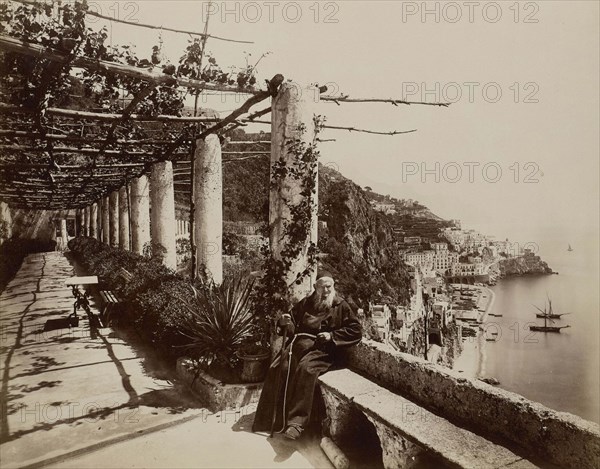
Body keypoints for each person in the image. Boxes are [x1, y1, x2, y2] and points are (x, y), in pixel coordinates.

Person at [252, 270, 362, 439]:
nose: (326, 291)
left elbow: (355, 331)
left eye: (329, 287)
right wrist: (284, 322)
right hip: (298, 347)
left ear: (333, 287)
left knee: (306, 369)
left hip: (323, 350)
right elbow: (292, 326)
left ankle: (296, 423)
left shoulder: (341, 306)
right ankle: (270, 420)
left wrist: (332, 336)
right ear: (314, 287)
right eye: (322, 287)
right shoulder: (306, 303)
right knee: (279, 367)